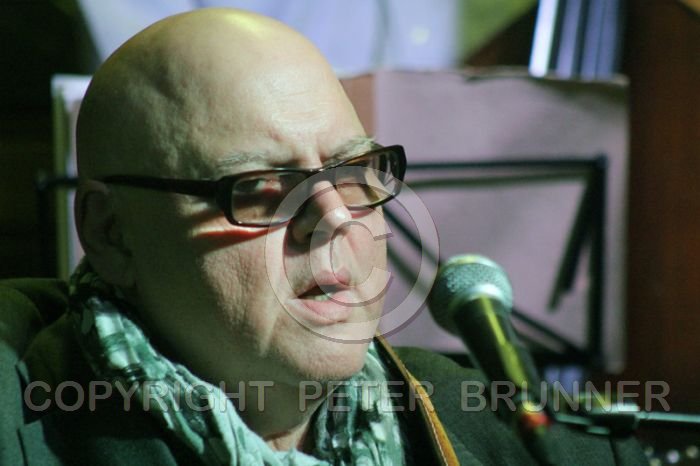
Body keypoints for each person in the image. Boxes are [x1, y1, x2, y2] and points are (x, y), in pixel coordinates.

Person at [0, 8, 645, 465]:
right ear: (111, 233)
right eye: (262, 186)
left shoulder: (533, 438)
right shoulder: (22, 422)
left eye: (354, 169)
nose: (335, 216)